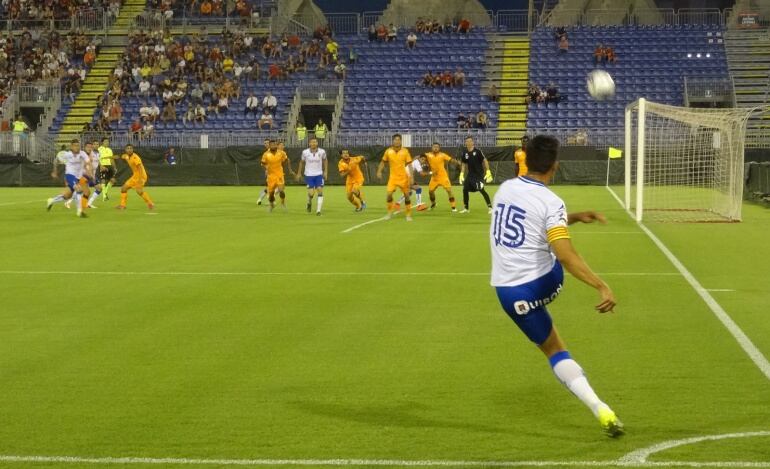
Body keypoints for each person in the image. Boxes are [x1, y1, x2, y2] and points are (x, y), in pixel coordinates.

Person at [489, 135, 623, 437]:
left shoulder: (506, 188)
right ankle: (599, 406)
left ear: (526, 159)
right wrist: (601, 286)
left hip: (507, 294)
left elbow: (529, 220)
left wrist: (572, 217)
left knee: (554, 350)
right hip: (546, 281)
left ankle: (600, 408)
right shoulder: (551, 202)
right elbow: (565, 254)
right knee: (556, 251)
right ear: (556, 166)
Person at [47, 138, 91, 218]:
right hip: (69, 175)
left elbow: (88, 162)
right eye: (75, 146)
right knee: (79, 189)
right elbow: (56, 160)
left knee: (67, 196)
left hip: (77, 177)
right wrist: (55, 171)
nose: (77, 147)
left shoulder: (82, 153)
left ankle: (52, 200)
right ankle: (79, 212)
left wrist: (89, 170)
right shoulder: (67, 154)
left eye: (78, 145)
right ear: (71, 146)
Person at [376, 134, 413, 221]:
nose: (397, 141)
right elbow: (383, 162)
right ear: (393, 141)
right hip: (393, 178)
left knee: (407, 196)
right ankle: (389, 214)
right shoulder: (388, 151)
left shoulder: (405, 151)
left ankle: (408, 215)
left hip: (404, 177)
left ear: (401, 141)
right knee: (389, 195)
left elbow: (410, 165)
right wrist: (379, 171)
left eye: (398, 140)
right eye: (395, 140)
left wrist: (411, 177)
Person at [459, 135, 493, 214]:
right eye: (467, 141)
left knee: (481, 190)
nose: (469, 143)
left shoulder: (478, 151)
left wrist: (488, 171)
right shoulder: (465, 153)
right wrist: (461, 173)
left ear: (473, 142)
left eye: (470, 141)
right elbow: (463, 164)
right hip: (470, 175)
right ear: (465, 143)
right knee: (465, 189)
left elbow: (485, 160)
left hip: (478, 175)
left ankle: (490, 207)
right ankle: (466, 208)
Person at [116, 144, 154, 211]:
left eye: (131, 148)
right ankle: (122, 205)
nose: (129, 149)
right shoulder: (126, 156)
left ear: (133, 149)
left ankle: (150, 203)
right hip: (135, 176)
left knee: (139, 191)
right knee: (123, 189)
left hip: (141, 175)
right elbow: (120, 156)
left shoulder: (135, 157)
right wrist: (110, 157)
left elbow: (140, 169)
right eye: (128, 148)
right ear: (125, 150)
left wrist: (140, 180)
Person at [295, 137, 328, 216]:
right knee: (311, 193)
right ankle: (309, 202)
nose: (313, 144)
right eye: (312, 142)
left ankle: (318, 211)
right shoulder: (305, 152)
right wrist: (299, 173)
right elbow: (301, 162)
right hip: (309, 175)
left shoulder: (322, 151)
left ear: (317, 143)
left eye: (315, 142)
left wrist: (325, 171)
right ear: (309, 143)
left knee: (320, 190)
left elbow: (325, 160)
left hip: (319, 174)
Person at [425, 142, 460, 212]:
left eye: (437, 147)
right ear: (432, 148)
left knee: (449, 191)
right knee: (430, 191)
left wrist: (457, 162)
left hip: (443, 176)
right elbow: (419, 157)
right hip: (434, 177)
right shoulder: (428, 155)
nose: (435, 148)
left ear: (439, 148)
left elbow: (451, 160)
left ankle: (453, 207)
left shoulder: (442, 155)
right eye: (434, 146)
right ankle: (433, 203)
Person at [260, 139, 292, 212]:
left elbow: (287, 160)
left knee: (281, 191)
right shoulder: (266, 154)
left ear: (276, 145)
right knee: (271, 194)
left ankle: (283, 203)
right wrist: (266, 168)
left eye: (274, 144)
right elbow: (262, 163)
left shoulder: (281, 153)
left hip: (279, 174)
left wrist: (290, 170)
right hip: (271, 176)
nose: (273, 146)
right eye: (271, 145)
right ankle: (271, 205)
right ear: (269, 146)